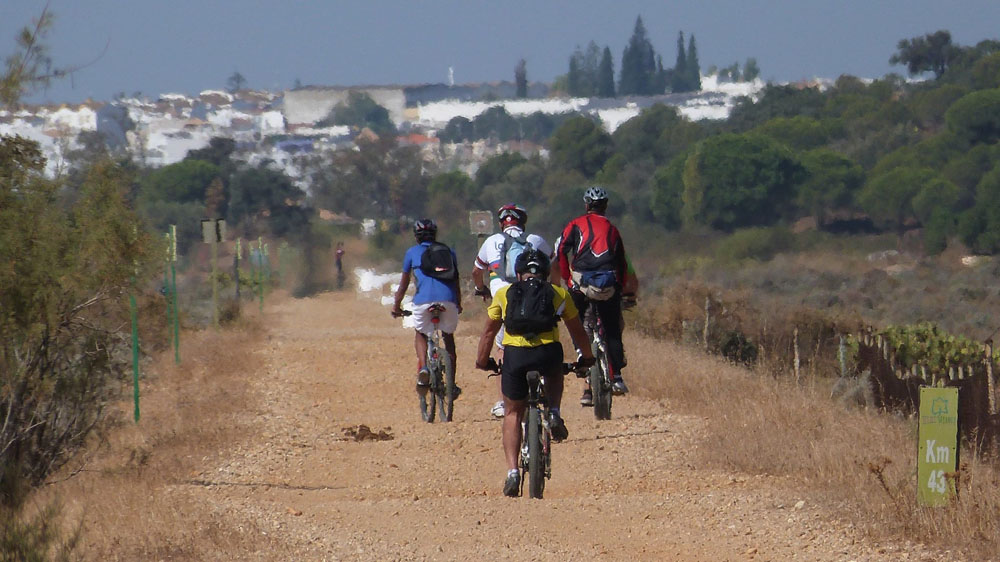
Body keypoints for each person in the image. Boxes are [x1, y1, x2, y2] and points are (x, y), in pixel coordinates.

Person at [474, 248, 595, 497]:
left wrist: (482, 360)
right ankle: (553, 412)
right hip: (547, 353)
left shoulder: (504, 294)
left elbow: (488, 331)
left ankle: (512, 472)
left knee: (512, 413)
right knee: (554, 372)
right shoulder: (558, 293)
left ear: (518, 274)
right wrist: (587, 357)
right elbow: (577, 330)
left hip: (515, 356)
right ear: (545, 273)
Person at [471, 203, 553, 419]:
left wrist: (481, 289)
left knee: (502, 348)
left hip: (504, 300)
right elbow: (556, 265)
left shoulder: (491, 241)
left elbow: (476, 271)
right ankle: (549, 397)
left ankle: (502, 401)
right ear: (523, 222)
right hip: (534, 297)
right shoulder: (535, 240)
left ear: (501, 224)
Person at [557, 186, 636, 405]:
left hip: (582, 283)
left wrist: (567, 277)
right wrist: (619, 287)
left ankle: (581, 353)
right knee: (612, 328)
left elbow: (561, 251)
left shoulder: (575, 225)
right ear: (605, 207)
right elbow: (621, 262)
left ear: (586, 205)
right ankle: (617, 376)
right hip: (609, 284)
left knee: (575, 320)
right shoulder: (612, 229)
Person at [391, 219, 462, 397]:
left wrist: (396, 306)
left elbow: (403, 284)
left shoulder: (412, 253)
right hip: (448, 300)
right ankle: (451, 381)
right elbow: (456, 281)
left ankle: (423, 368)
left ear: (416, 237)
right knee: (448, 337)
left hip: (423, 301)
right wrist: (458, 303)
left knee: (421, 333)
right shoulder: (448, 252)